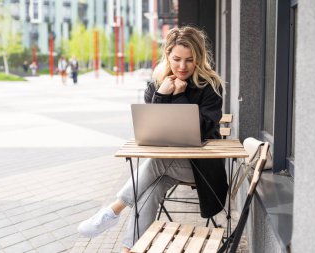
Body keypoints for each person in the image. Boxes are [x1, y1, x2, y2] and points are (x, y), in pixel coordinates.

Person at [77, 26, 228, 253]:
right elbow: (152, 128)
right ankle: (129, 250)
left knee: (156, 162)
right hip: (168, 164)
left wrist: (178, 96)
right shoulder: (157, 85)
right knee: (149, 193)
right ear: (167, 55)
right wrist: (162, 94)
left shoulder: (211, 86)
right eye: (176, 59)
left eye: (189, 60)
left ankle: (113, 211)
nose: (182, 66)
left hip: (202, 167)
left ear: (199, 57)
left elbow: (203, 131)